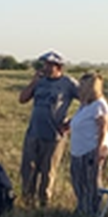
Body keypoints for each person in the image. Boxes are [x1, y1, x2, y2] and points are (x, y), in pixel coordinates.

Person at [17, 51, 78, 208]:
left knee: (47, 171)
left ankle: (44, 203)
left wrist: (72, 122)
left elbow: (88, 100)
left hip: (54, 136)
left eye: (50, 65)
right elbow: (22, 99)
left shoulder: (68, 83)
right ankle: (27, 202)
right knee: (28, 169)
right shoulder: (40, 81)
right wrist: (33, 83)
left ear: (59, 67)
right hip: (33, 133)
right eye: (45, 64)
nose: (46, 67)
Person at [68, 73, 108, 217]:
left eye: (82, 86)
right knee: (78, 180)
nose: (79, 88)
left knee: (91, 182)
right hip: (78, 149)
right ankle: (82, 207)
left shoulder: (99, 105)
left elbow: (102, 128)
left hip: (90, 148)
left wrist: (98, 149)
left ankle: (92, 211)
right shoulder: (85, 104)